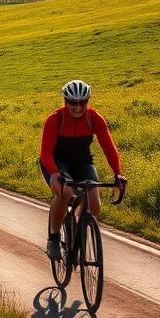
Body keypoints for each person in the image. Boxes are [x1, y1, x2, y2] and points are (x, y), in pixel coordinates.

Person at [40, 79, 127, 261]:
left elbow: (109, 148)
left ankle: (78, 239)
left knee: (94, 203)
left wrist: (118, 174)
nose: (78, 107)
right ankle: (54, 239)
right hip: (57, 162)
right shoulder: (55, 119)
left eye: (82, 102)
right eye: (73, 103)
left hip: (82, 162)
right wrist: (54, 173)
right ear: (65, 101)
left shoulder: (94, 118)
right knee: (64, 192)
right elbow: (46, 152)